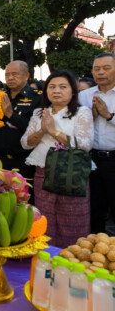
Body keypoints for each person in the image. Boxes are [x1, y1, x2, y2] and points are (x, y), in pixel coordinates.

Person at [22, 70, 93, 247]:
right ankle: (46, 257)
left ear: (73, 91)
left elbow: (84, 144)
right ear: (46, 91)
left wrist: (53, 131)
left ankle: (71, 259)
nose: (56, 91)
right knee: (45, 219)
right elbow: (25, 143)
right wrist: (42, 130)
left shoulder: (82, 112)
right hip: (43, 171)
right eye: (52, 87)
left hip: (72, 173)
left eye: (63, 87)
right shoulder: (39, 113)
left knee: (73, 219)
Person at [0, 61, 42, 204]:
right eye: (7, 74)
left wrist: (11, 115)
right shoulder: (0, 97)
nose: (10, 78)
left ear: (26, 75)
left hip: (25, 160)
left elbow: (36, 130)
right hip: (0, 160)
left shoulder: (37, 97)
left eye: (14, 74)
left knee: (24, 202)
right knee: (2, 202)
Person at [79, 53, 115, 233]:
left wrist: (108, 115)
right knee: (94, 208)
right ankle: (95, 244)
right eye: (97, 69)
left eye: (106, 68)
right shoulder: (84, 96)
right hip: (90, 159)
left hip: (113, 158)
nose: (101, 72)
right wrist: (90, 118)